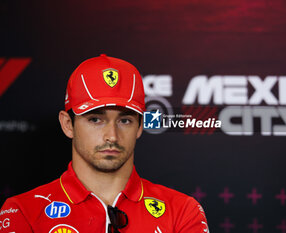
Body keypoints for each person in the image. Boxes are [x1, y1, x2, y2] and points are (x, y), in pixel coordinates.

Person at [0, 54, 209, 233]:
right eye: (95, 119)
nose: (112, 136)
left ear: (139, 127)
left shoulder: (182, 212)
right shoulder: (23, 212)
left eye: (124, 120)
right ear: (67, 124)